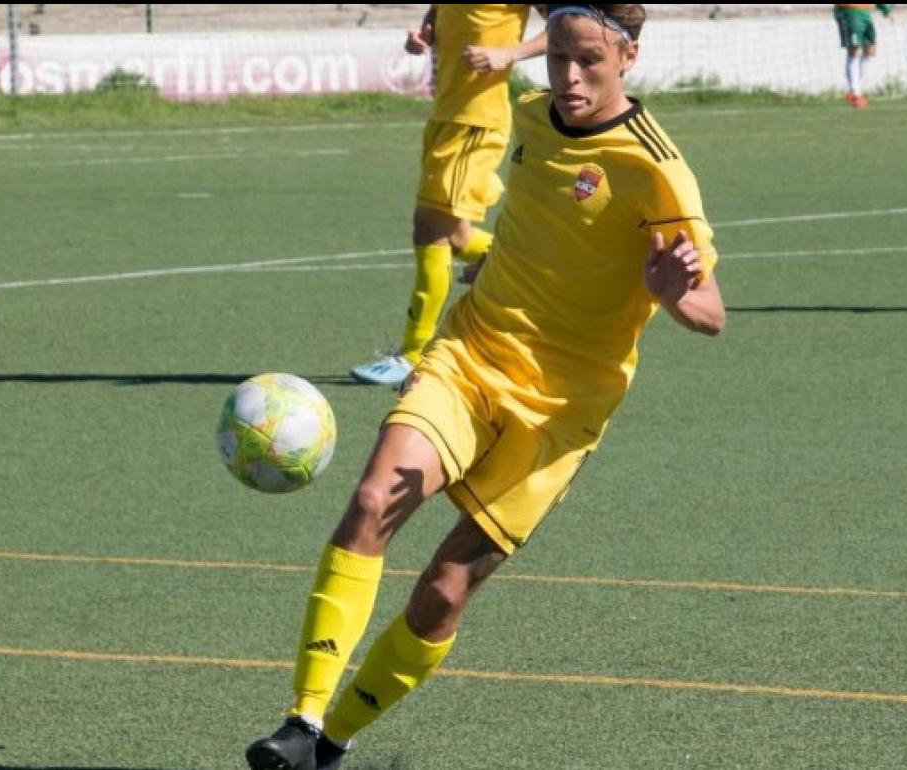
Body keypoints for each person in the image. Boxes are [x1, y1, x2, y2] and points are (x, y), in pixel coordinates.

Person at [246, 4, 726, 769]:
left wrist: (673, 295)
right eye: (557, 56)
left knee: (444, 589)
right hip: (472, 354)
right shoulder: (531, 118)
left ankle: (332, 742)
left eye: (589, 61)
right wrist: (496, 265)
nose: (569, 77)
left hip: (561, 410)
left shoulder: (655, 166)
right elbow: (539, 221)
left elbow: (712, 312)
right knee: (373, 499)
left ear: (628, 58)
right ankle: (301, 720)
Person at [350, 4, 548, 386]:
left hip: (476, 122)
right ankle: (535, 266)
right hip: (445, 117)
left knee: (431, 230)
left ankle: (413, 355)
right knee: (455, 235)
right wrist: (425, 31)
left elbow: (568, 24)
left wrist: (508, 53)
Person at [834, 4, 893, 108]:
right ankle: (855, 93)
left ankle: (856, 88)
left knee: (870, 51)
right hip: (849, 12)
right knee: (854, 50)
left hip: (865, 12)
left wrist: (885, 8)